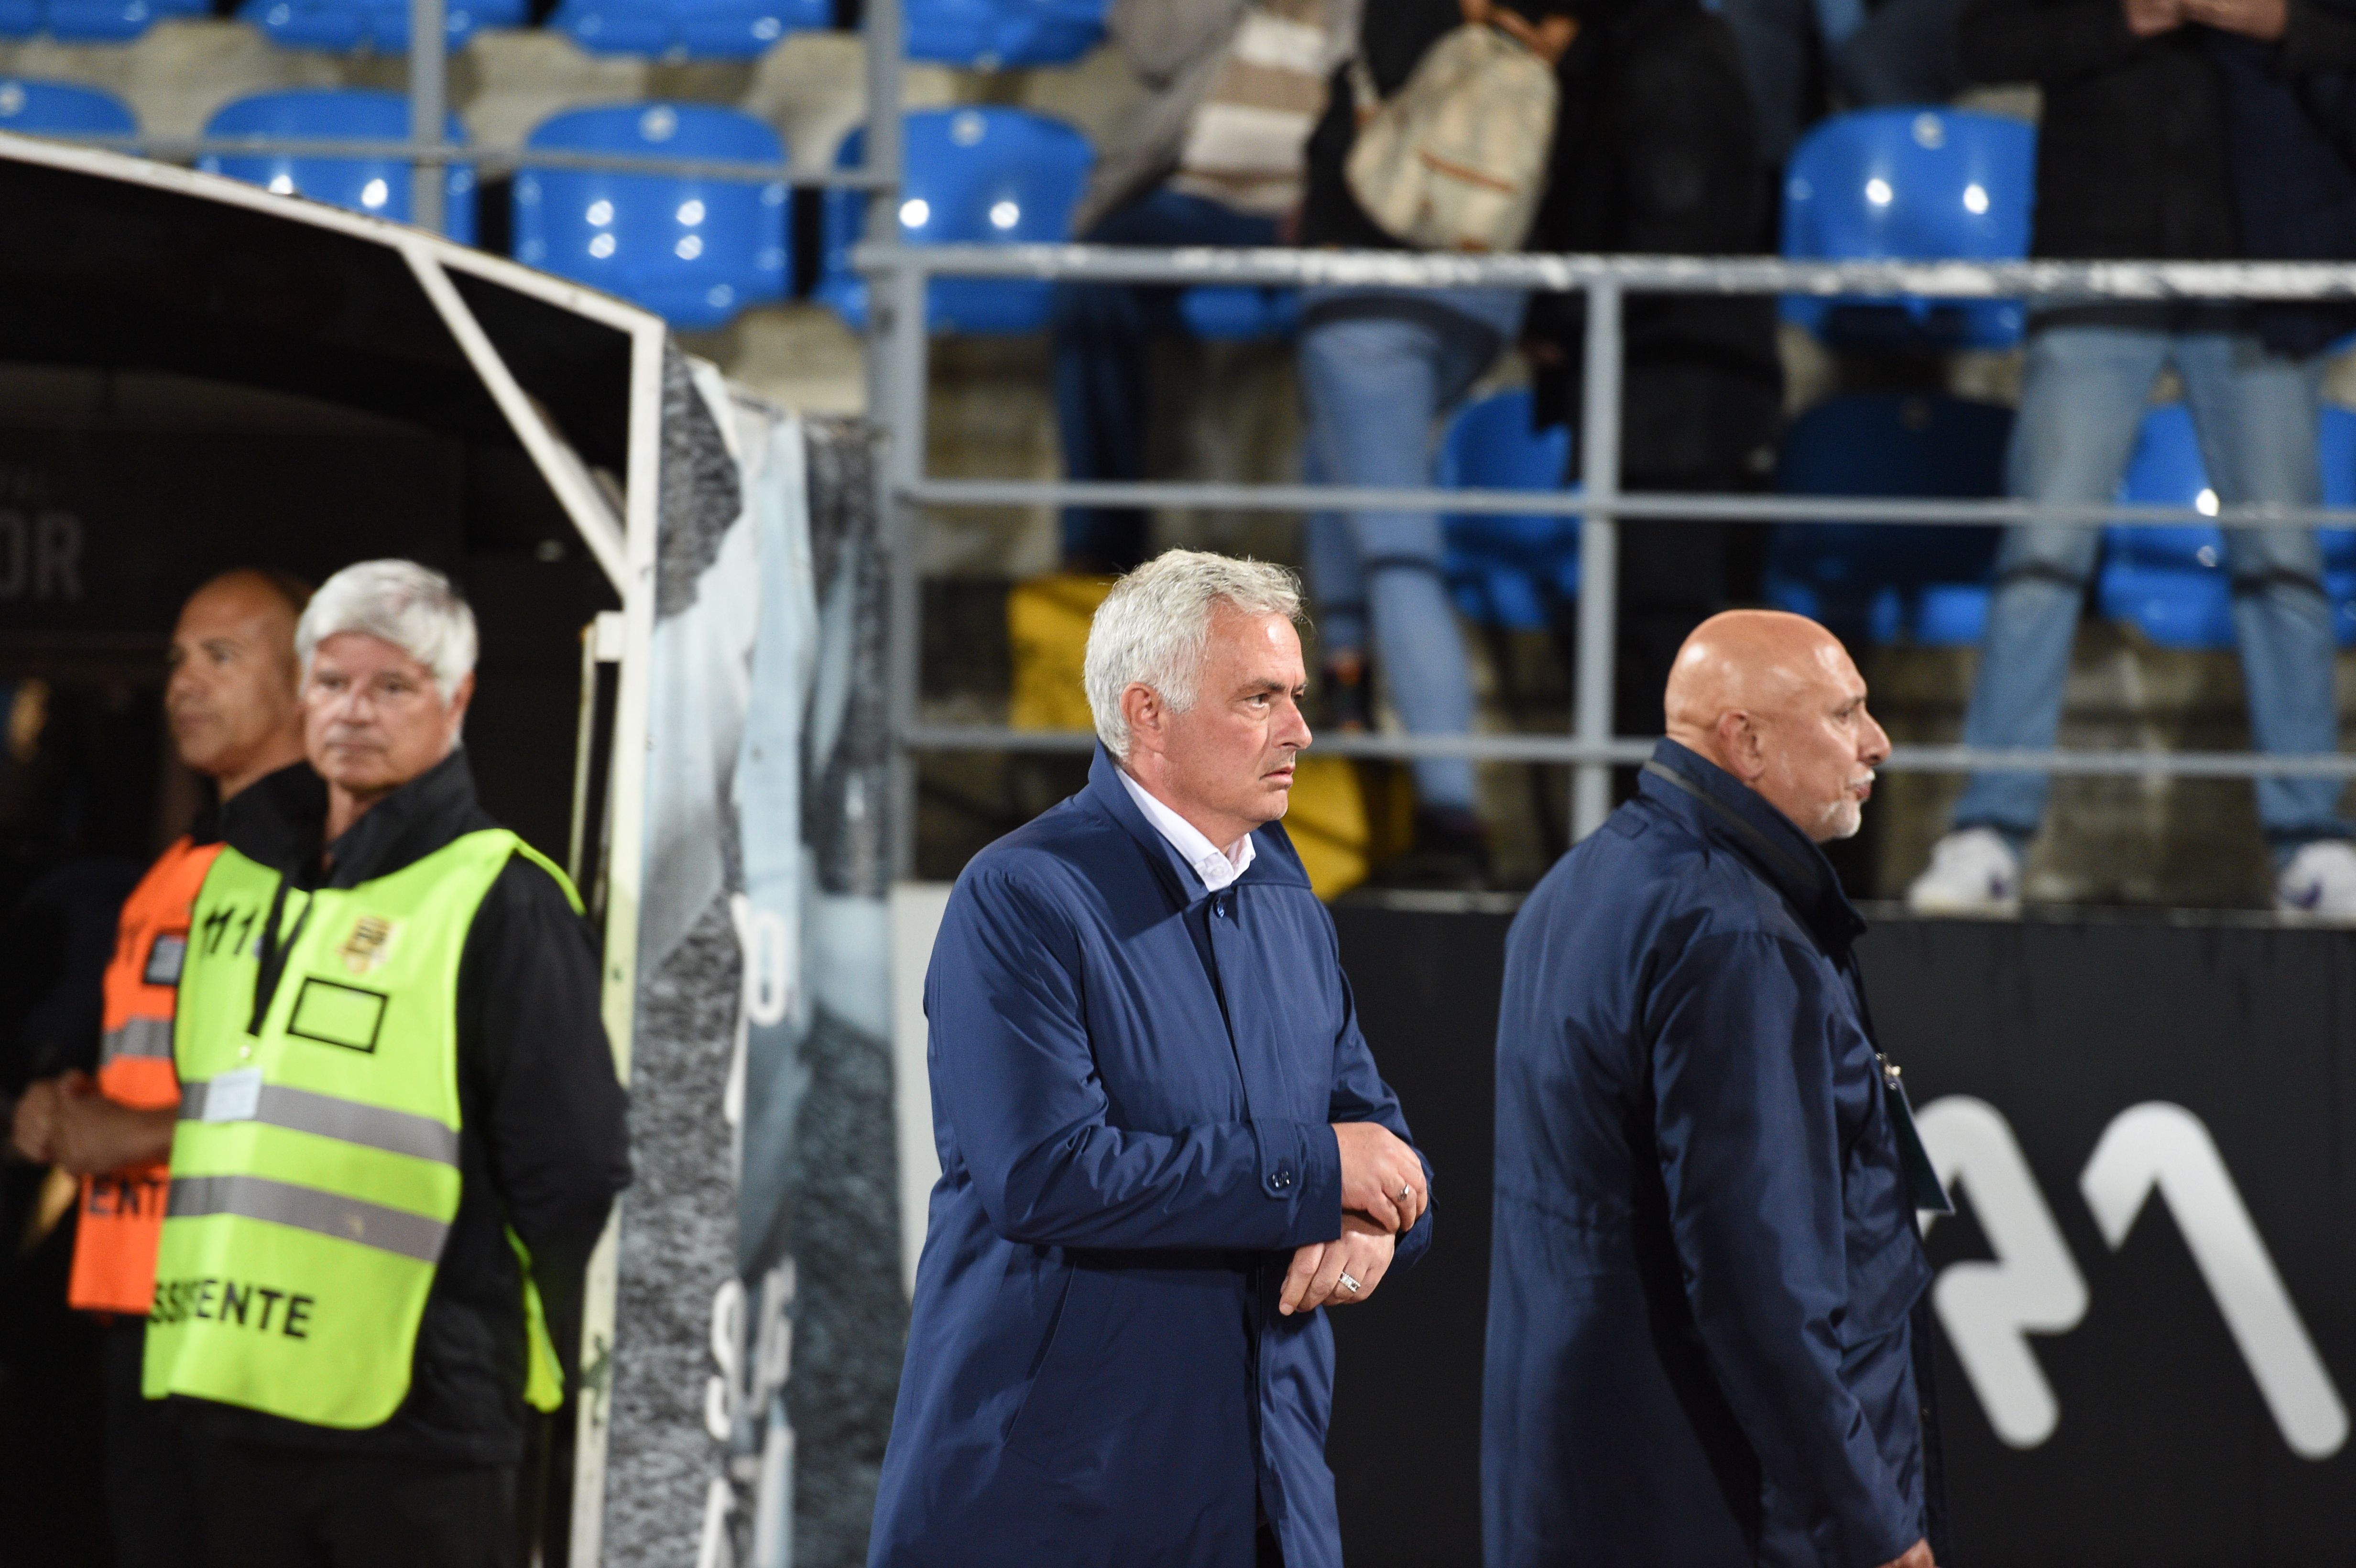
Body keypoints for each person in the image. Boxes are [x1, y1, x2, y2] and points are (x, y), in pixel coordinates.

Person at [869, 549, 1434, 1568]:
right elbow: (1044, 1174)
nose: (1301, 730)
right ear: (1146, 713)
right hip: (1061, 1512)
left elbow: (1376, 1136)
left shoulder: (1284, 894)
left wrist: (1385, 1219)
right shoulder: (1022, 896)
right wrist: (1318, 1173)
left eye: (1296, 695)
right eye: (1261, 697)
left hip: (1270, 1498)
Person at [142, 559, 631, 1568]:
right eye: (331, 682)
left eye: (392, 686)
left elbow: (572, 1165)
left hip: (422, 1414)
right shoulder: (234, 880)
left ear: (457, 699)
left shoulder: (502, 895)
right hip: (229, 1390)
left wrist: (480, 1323)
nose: (353, 711)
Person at [1483, 610, 1944, 1568]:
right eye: (1843, 712)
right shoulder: (1738, 934)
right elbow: (1759, 1283)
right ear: (1746, 742)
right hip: (1711, 1503)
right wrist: (1869, 1521)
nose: (1876, 742)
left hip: (1583, 1485)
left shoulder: (1580, 882)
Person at [1908, 0, 2356, 916]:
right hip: (2093, 260)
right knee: (2041, 549)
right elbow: (1984, 37)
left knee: (2281, 560)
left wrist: (2262, 17)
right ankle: (1989, 830)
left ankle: (2309, 839)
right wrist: (2133, 15)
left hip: (2259, 267)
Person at [8, 567, 322, 1568]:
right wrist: (71, 1106)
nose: (185, 681)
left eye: (221, 657)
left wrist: (126, 1135)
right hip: (141, 1312)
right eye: (178, 658)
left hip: (249, 1322)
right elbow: (159, 1065)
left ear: (308, 680)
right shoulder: (180, 869)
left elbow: (332, 1100)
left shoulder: (328, 865)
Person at [1295, 0, 1578, 878]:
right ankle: (1342, 680)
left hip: (1370, 288)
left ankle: (1451, 813)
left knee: (1397, 548)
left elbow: (1328, 153)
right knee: (1337, 460)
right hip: (1481, 293)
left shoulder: (1388, 14)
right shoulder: (1509, 27)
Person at [1516, 0, 1784, 759]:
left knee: (1665, 637)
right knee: (1642, 634)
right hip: (1657, 386)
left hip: (1677, 397)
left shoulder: (1668, 48)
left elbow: (1678, 224)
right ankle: (1654, 843)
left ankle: (1675, 846)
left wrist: (1558, 312)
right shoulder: (1645, 42)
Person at [1052, 0, 1354, 572]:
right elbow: (1149, 50)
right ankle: (1099, 542)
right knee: (1091, 280)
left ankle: (1341, 579)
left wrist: (1329, 199)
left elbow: (1381, 78)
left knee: (1360, 323)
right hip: (1191, 195)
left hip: (1320, 205)